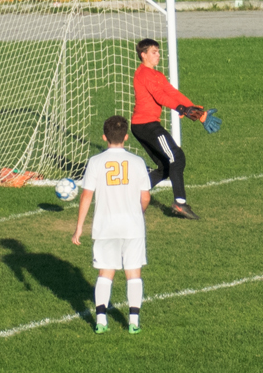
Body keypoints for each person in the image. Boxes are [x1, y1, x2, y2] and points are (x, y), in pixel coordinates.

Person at [72, 116, 151, 334]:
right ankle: (133, 322)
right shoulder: (137, 162)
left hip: (105, 227)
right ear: (126, 137)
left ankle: (101, 321)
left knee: (105, 273)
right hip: (132, 226)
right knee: (133, 273)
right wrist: (138, 213)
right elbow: (145, 197)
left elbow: (86, 196)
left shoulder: (96, 162)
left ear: (104, 137)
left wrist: (79, 227)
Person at [131, 38, 221, 220]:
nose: (158, 55)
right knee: (176, 157)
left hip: (145, 125)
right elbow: (160, 97)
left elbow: (172, 93)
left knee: (165, 166)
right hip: (146, 125)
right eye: (154, 52)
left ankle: (132, 196)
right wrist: (182, 109)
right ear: (143, 55)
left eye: (158, 51)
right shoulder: (144, 74)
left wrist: (196, 110)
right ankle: (180, 203)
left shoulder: (157, 75)